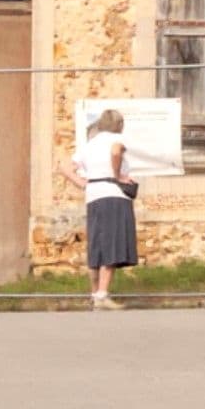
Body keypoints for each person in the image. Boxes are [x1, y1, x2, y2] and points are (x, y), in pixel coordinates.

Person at [64, 108, 139, 310]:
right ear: (119, 125)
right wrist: (117, 175)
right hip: (113, 194)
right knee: (112, 243)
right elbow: (115, 151)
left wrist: (82, 183)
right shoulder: (117, 139)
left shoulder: (90, 145)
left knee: (96, 245)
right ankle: (102, 295)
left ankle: (94, 293)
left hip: (93, 195)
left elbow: (66, 168)